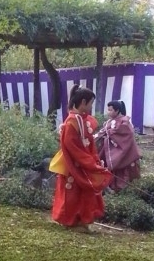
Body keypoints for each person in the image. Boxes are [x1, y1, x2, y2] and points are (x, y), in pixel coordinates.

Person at [51, 84, 112, 232]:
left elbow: (86, 144)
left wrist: (93, 160)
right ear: (83, 102)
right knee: (73, 194)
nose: (91, 106)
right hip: (74, 165)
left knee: (82, 193)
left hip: (80, 163)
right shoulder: (72, 122)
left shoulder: (78, 119)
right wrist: (90, 163)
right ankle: (72, 221)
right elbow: (73, 147)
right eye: (90, 103)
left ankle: (81, 220)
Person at [95, 100, 141, 192]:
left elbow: (126, 134)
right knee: (107, 164)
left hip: (121, 149)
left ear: (117, 110)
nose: (108, 112)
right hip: (108, 148)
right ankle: (111, 185)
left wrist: (111, 133)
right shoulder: (109, 121)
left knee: (122, 166)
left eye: (110, 110)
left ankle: (122, 187)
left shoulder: (125, 121)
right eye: (108, 110)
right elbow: (103, 132)